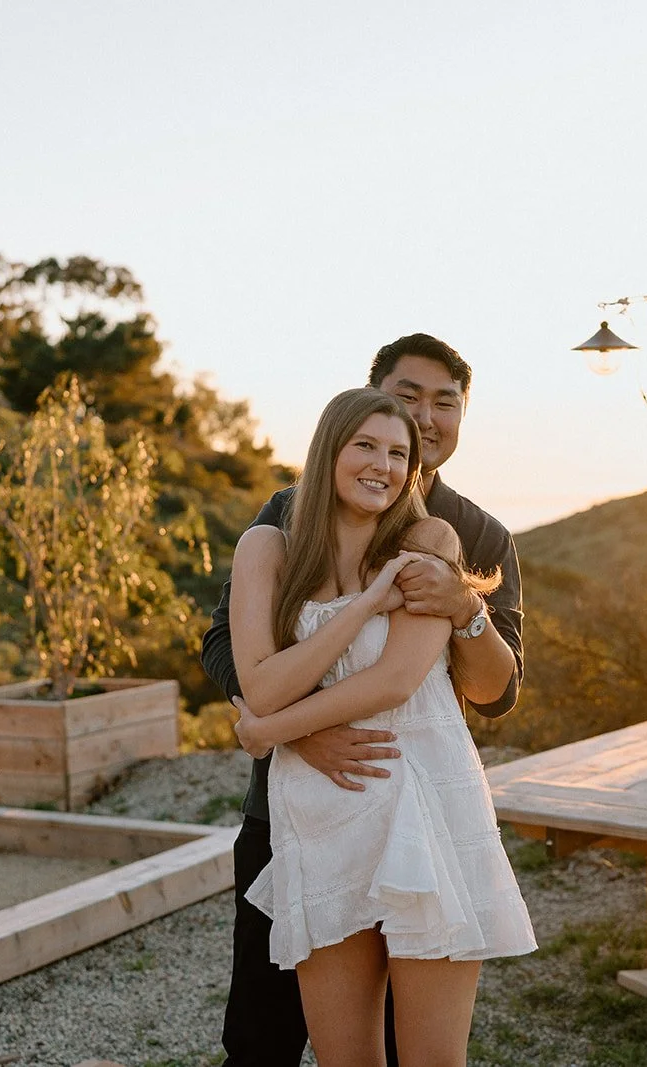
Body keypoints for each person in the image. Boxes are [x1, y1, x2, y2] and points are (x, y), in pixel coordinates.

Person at [202, 334, 527, 1066]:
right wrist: (283, 732)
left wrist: (466, 610)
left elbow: (485, 689)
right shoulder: (279, 526)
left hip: (416, 799)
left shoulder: (461, 533)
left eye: (443, 403)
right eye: (405, 398)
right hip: (304, 804)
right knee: (264, 1035)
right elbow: (232, 649)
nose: (420, 419)